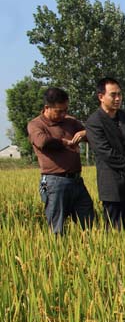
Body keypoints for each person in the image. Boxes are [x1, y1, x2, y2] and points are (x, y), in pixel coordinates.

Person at [27, 87, 95, 234]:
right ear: (47, 107)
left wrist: (85, 132)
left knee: (89, 223)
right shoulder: (36, 124)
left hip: (77, 181)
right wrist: (65, 142)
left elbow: (93, 136)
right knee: (57, 229)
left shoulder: (70, 121)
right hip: (55, 182)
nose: (63, 114)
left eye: (65, 110)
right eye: (59, 111)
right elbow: (42, 142)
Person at [85, 77, 125, 229]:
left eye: (119, 94)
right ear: (101, 97)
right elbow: (105, 152)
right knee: (115, 230)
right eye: (113, 95)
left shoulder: (124, 117)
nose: (118, 98)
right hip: (112, 185)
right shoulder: (94, 122)